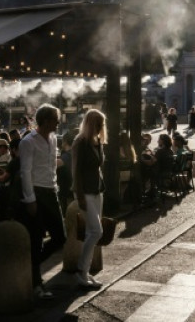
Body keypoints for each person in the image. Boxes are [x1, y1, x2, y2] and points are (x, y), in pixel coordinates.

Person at [18, 103, 66, 300]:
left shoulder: (53, 138)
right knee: (36, 239)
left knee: (60, 237)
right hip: (36, 192)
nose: (58, 123)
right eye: (56, 120)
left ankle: (30, 264)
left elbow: (51, 166)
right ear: (46, 121)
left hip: (51, 191)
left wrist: (55, 186)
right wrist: (30, 199)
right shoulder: (28, 142)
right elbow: (25, 172)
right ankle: (36, 283)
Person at [72, 109, 107, 289]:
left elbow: (98, 167)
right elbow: (76, 171)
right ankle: (81, 271)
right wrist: (79, 196)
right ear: (90, 124)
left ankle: (85, 272)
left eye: (102, 124)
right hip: (85, 191)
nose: (100, 127)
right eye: (97, 124)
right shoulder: (80, 142)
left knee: (91, 232)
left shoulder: (97, 141)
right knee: (96, 231)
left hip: (97, 190)